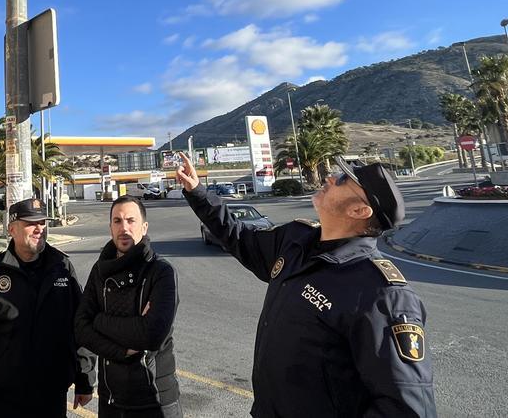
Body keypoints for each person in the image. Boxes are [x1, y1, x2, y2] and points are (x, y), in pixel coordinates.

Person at [175, 152, 435, 417]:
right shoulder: (296, 239)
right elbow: (240, 237)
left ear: (359, 211)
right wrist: (197, 192)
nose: (330, 177)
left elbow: (405, 407)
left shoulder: (381, 294)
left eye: (344, 179)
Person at [0, 198, 95, 417]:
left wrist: (85, 378)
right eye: (31, 223)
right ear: (12, 229)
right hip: (3, 399)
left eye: (43, 223)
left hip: (51, 395)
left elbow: (80, 325)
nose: (39, 229)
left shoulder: (61, 267)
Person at [75, 196, 181, 418]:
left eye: (131, 220)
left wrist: (100, 320)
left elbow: (151, 335)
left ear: (144, 226)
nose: (124, 228)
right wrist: (123, 350)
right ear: (110, 228)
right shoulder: (99, 271)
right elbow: (81, 329)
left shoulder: (160, 272)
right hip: (111, 400)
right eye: (117, 221)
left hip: (156, 401)